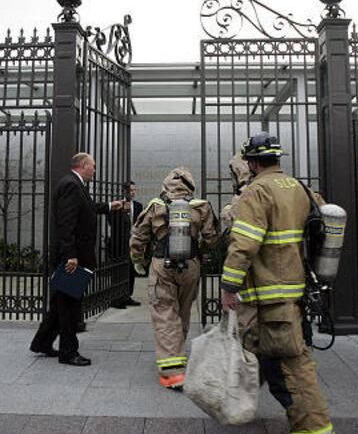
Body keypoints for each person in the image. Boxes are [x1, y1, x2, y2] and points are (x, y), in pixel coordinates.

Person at [221, 132, 335, 434]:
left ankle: (315, 428)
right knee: (267, 355)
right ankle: (234, 403)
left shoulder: (257, 192)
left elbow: (244, 244)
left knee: (292, 366)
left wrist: (229, 286)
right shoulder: (299, 187)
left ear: (252, 162)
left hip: (270, 296)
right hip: (293, 291)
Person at [30, 152, 123, 366]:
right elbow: (66, 223)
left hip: (74, 256)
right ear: (83, 165)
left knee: (60, 304)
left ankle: (42, 343)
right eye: (93, 165)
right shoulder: (71, 185)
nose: (95, 170)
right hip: (73, 258)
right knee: (70, 306)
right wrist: (71, 255)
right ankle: (68, 353)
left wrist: (110, 206)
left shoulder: (75, 184)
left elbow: (86, 209)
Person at [129, 167, 219, 389]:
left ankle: (172, 372)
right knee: (183, 312)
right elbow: (211, 238)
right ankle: (177, 357)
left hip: (162, 266)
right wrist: (203, 253)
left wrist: (138, 261)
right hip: (191, 265)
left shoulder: (155, 206)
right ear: (190, 186)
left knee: (164, 313)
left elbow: (138, 237)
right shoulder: (201, 206)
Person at [109, 181, 143, 309]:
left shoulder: (138, 206)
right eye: (131, 190)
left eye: (134, 190)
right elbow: (111, 222)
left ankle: (127, 295)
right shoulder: (117, 204)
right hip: (119, 243)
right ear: (124, 191)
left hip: (132, 243)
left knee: (130, 270)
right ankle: (116, 298)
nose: (133, 193)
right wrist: (123, 213)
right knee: (118, 271)